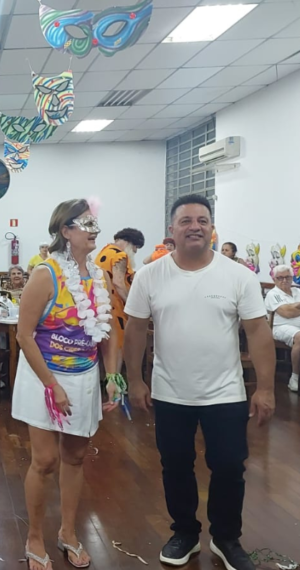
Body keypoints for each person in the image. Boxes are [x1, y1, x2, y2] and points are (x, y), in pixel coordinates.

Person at [123, 195, 275, 570]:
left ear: (212, 228)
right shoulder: (149, 276)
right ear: (171, 230)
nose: (195, 226)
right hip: (170, 392)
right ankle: (185, 534)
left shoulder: (238, 275)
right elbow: (135, 330)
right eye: (186, 220)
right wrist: (135, 381)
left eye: (202, 220)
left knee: (229, 466)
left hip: (226, 393)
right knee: (176, 465)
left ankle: (226, 538)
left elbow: (258, 332)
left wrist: (266, 388)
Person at [11, 199, 119, 570]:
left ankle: (68, 532)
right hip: (43, 375)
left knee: (74, 457)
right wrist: (51, 385)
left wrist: (112, 375)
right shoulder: (46, 274)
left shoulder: (100, 277)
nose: (94, 230)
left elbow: (108, 332)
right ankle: (35, 536)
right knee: (44, 460)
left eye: (95, 223)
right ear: (65, 230)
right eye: (85, 223)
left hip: (84, 375)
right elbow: (24, 335)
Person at [95, 228, 145, 353]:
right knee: (117, 347)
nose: (135, 251)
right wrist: (131, 305)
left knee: (105, 349)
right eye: (136, 247)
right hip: (115, 308)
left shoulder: (104, 252)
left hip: (101, 306)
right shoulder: (120, 255)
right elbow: (118, 283)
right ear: (129, 242)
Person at [266, 265, 300, 392]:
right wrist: (293, 308)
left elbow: (290, 310)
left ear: (292, 278)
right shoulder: (273, 294)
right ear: (274, 279)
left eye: (287, 277)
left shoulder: (297, 291)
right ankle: (294, 378)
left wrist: (294, 307)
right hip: (280, 327)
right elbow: (287, 313)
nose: (284, 280)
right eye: (280, 278)